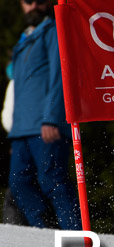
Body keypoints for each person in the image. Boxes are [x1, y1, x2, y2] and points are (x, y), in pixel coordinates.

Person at [7, 0, 79, 230]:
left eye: (39, 1)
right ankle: (44, 234)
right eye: (28, 2)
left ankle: (75, 233)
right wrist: (15, 131)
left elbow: (60, 77)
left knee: (52, 180)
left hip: (46, 125)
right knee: (18, 183)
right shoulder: (24, 39)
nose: (34, 6)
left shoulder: (54, 32)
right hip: (22, 129)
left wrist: (52, 118)